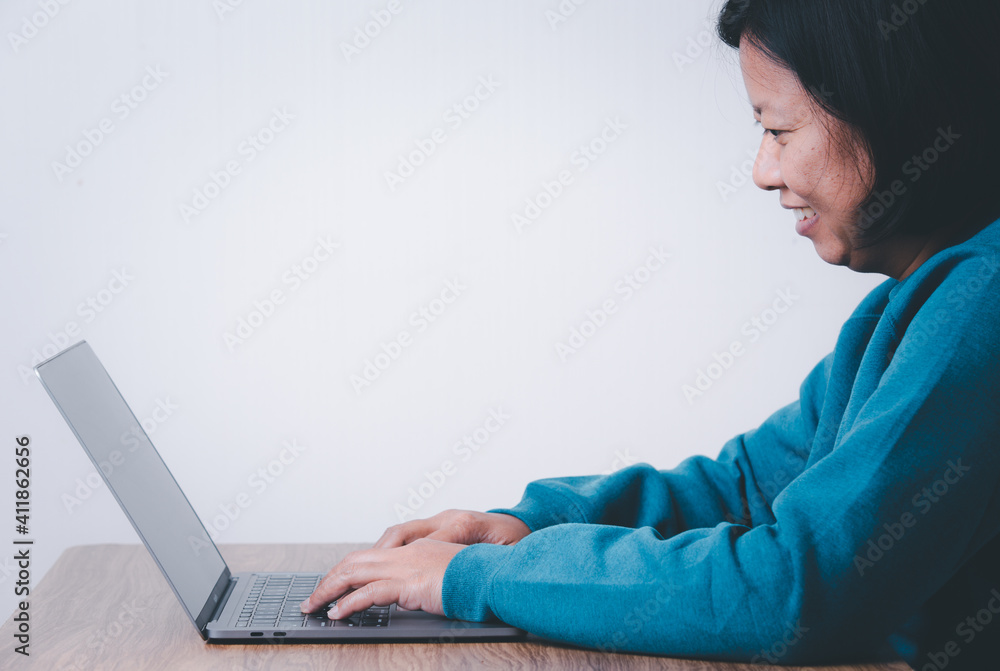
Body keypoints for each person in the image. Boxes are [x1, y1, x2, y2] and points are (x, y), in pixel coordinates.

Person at [301, 1, 1000, 666]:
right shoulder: (908, 309)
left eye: (780, 131)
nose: (763, 172)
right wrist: (533, 526)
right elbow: (748, 488)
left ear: (900, 112)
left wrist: (477, 576)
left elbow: (795, 587)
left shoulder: (982, 302)